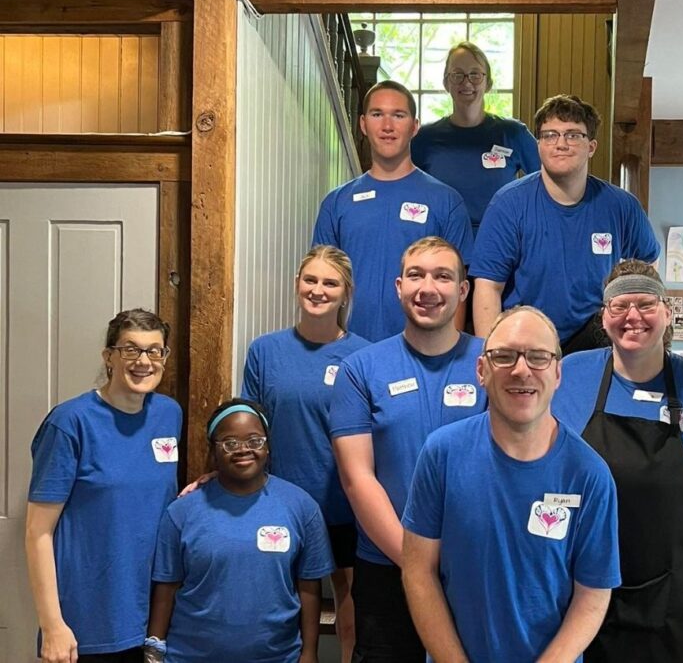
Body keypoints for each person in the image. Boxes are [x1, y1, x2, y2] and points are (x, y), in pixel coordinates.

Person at [552, 260, 683, 663]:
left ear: (667, 311)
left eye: (646, 304)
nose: (633, 316)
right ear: (604, 316)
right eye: (619, 306)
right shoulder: (567, 378)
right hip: (585, 599)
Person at [402, 306, 621, 662]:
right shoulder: (441, 454)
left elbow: (593, 594)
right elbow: (418, 571)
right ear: (481, 370)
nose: (522, 370)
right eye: (504, 356)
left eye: (538, 357)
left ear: (558, 373)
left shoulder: (589, 475)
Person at [330, 236, 488, 662]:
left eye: (443, 276)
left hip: (473, 565)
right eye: (416, 275)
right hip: (386, 565)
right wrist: (416, 564)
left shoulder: (491, 363)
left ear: (463, 290)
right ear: (398, 287)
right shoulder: (361, 369)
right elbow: (357, 477)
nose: (428, 288)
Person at [26, 309, 181, 663]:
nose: (144, 361)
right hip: (86, 624)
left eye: (154, 351)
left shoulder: (169, 414)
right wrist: (52, 626)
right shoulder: (70, 423)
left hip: (151, 618)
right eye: (131, 350)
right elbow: (38, 533)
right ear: (109, 356)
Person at [241, 245, 369, 662]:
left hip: (344, 505)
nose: (318, 290)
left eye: (329, 283)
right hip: (281, 504)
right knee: (285, 612)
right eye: (310, 280)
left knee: (352, 615)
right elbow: (249, 426)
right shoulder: (265, 350)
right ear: (297, 285)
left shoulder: (364, 356)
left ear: (345, 293)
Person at [470, 94, 660, 355]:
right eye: (550, 135)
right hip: (526, 336)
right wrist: (491, 355)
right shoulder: (508, 205)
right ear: (539, 145)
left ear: (591, 146)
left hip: (595, 339)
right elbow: (488, 287)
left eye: (573, 135)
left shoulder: (621, 206)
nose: (560, 144)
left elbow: (649, 265)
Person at [147, 398, 334, 663]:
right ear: (213, 450)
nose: (243, 450)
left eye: (255, 441)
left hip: (278, 657)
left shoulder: (301, 507)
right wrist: (154, 652)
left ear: (268, 446)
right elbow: (166, 588)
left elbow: (309, 588)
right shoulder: (181, 513)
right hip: (189, 656)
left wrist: (309, 653)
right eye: (230, 443)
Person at [312, 80, 474, 343]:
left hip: (422, 352)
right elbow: (321, 283)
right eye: (378, 115)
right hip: (350, 351)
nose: (387, 126)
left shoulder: (446, 201)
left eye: (398, 115)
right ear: (363, 124)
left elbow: (456, 288)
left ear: (415, 126)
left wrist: (449, 357)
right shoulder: (337, 203)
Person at [411, 41, 540, 233]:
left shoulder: (512, 133)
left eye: (475, 74)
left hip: (503, 247)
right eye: (457, 75)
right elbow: (406, 192)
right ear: (446, 83)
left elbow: (548, 184)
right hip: (441, 247)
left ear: (488, 83)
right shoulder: (424, 138)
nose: (466, 82)